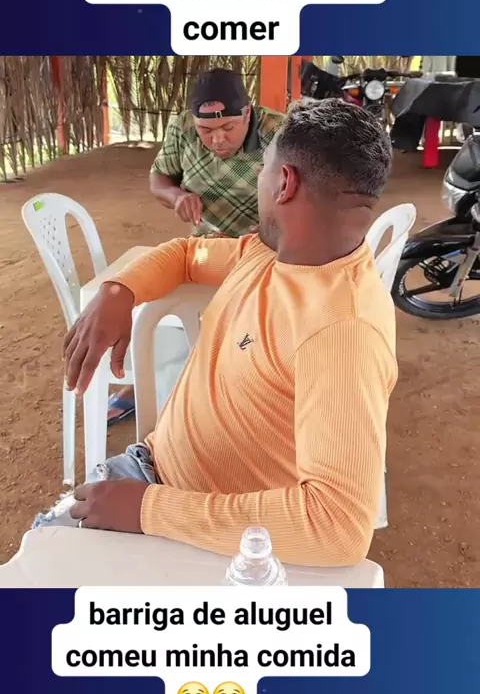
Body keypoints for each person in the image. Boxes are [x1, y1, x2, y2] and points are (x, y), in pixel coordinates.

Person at [51, 98, 397, 568]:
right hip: (151, 471)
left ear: (285, 183)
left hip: (209, 535)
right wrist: (119, 290)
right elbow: (185, 255)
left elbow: (336, 526)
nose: (258, 180)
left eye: (263, 168)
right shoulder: (273, 255)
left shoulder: (341, 333)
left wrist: (149, 509)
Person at [108, 67, 284, 425]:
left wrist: (276, 225)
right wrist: (176, 196)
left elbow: (308, 190)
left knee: (253, 322)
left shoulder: (279, 133)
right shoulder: (181, 129)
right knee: (164, 308)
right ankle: (146, 386)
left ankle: (239, 397)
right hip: (204, 250)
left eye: (228, 128)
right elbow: (159, 178)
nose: (217, 139)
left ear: (247, 113)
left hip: (265, 251)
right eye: (206, 130)